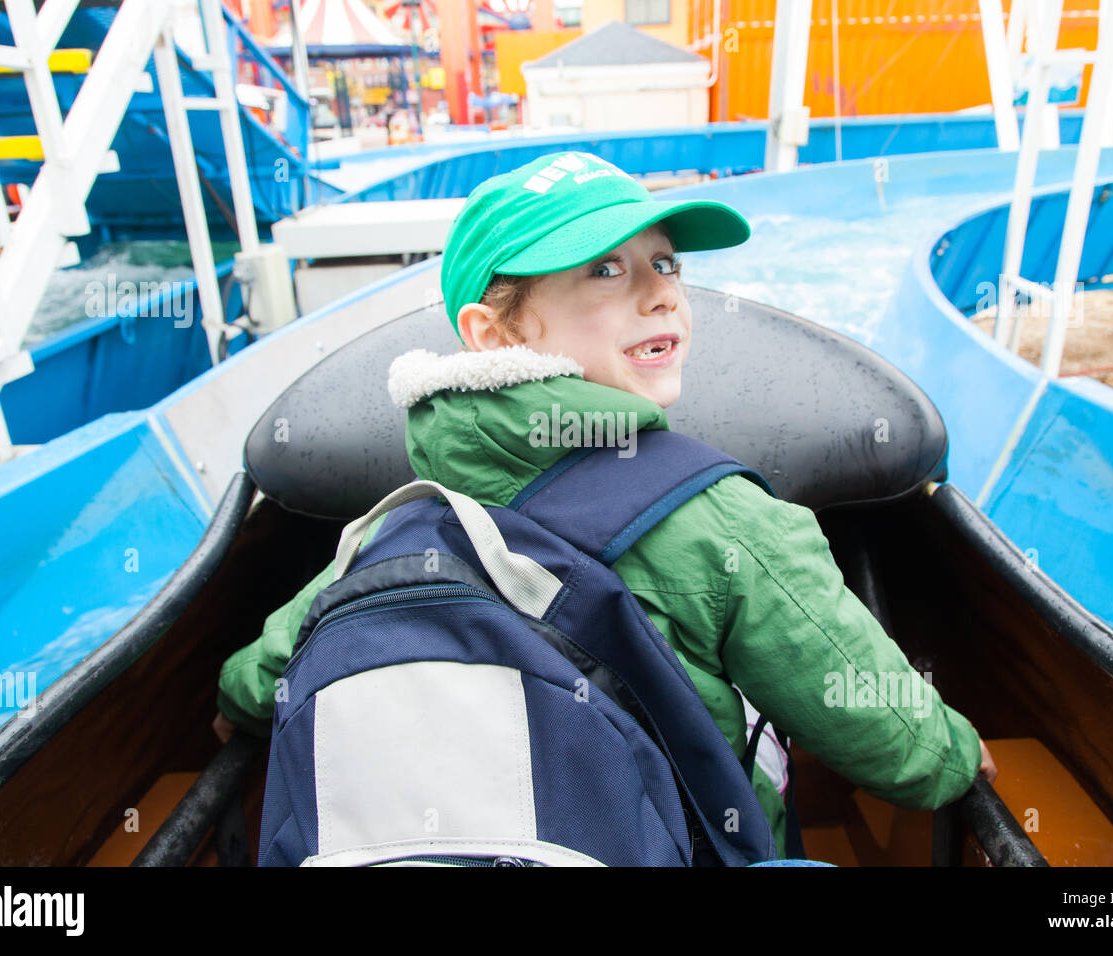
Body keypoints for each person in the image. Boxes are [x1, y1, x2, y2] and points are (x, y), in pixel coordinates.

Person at [214, 150, 996, 853]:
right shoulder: (725, 519)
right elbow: (883, 729)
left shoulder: (395, 526)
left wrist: (236, 708)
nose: (662, 296)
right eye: (607, 272)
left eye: (667, 263)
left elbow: (264, 673)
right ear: (491, 336)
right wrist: (957, 758)